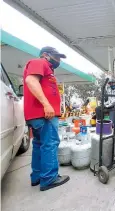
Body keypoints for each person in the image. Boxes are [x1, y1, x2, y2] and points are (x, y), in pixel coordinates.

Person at [24, 46, 70, 191]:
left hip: (38, 115)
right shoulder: (40, 62)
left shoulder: (47, 69)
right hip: (43, 114)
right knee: (50, 144)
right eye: (56, 57)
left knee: (39, 144)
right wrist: (46, 105)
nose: (58, 60)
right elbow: (31, 80)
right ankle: (49, 178)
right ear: (45, 55)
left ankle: (37, 176)